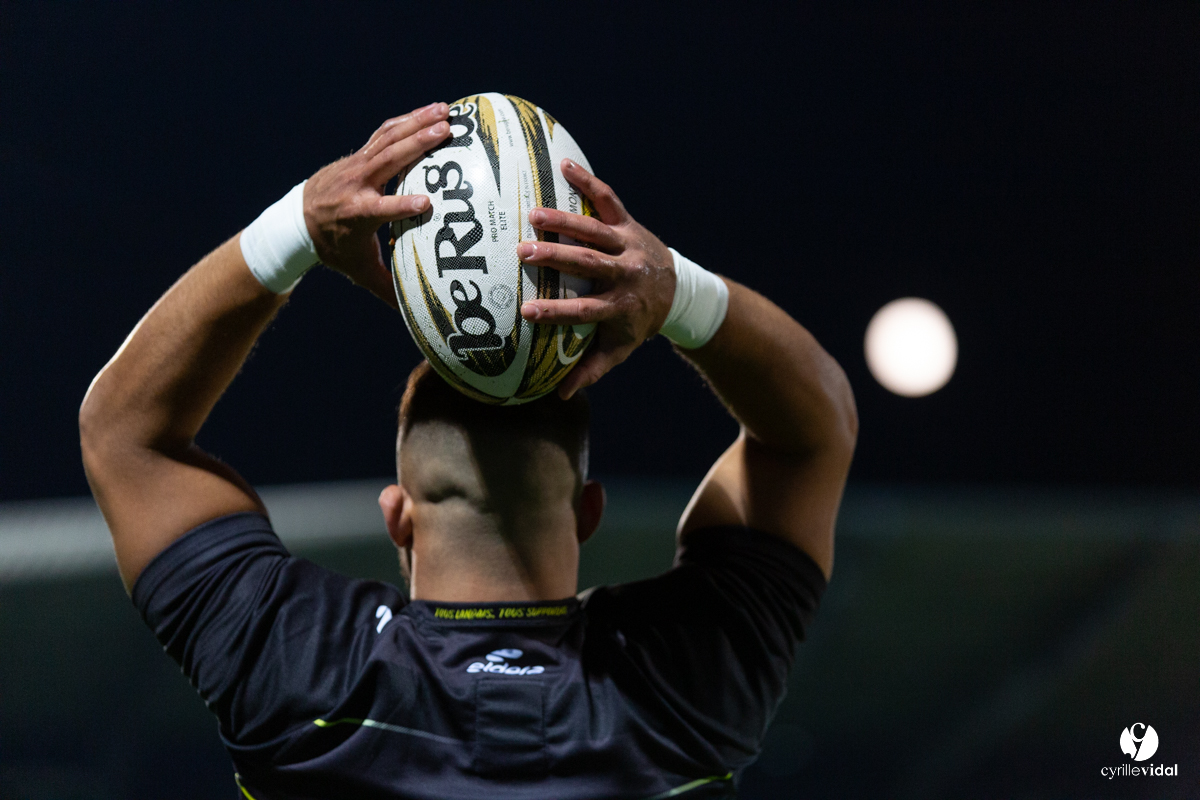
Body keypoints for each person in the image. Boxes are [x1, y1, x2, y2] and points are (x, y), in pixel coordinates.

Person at [79, 101, 857, 799]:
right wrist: (673, 291)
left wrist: (300, 226)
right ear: (589, 510)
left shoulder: (299, 667)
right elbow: (813, 433)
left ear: (398, 516)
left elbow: (122, 434)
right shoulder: (682, 681)